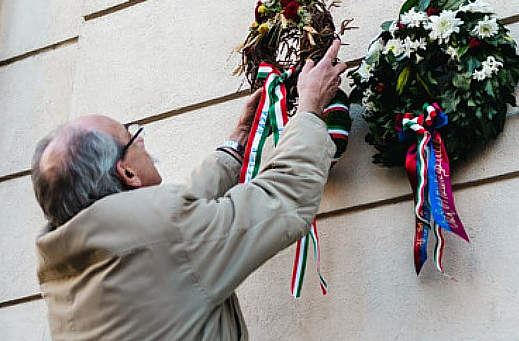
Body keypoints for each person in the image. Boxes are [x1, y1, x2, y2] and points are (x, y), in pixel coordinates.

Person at [30, 39, 346, 340]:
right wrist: (308, 109)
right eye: (130, 135)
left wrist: (232, 148)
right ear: (127, 172)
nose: (140, 139)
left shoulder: (67, 272)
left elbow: (174, 230)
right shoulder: (165, 233)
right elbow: (283, 198)